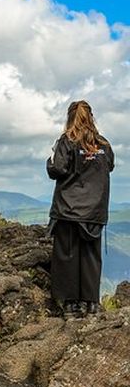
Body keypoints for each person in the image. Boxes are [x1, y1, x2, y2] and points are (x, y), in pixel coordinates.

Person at [47, 100, 114, 318]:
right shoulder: (104, 144)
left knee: (67, 256)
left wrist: (49, 160)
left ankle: (71, 306)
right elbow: (109, 166)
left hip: (68, 209)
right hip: (94, 210)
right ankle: (91, 303)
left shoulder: (67, 141)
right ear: (91, 117)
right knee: (91, 257)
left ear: (70, 117)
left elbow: (57, 169)